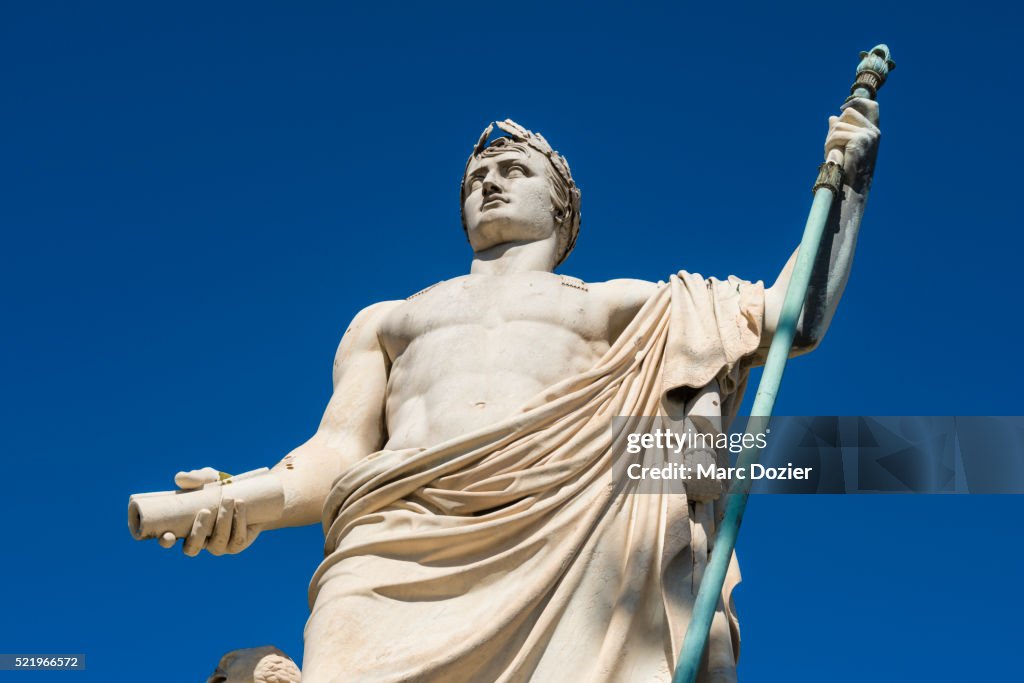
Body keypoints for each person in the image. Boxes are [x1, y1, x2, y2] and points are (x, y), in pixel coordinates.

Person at [144, 104, 880, 682]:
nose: (488, 181)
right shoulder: (389, 318)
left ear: (562, 208)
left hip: (565, 535)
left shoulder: (618, 305)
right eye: (475, 177)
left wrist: (845, 186)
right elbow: (333, 454)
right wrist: (241, 497)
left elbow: (791, 316)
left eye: (513, 170)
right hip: (393, 552)